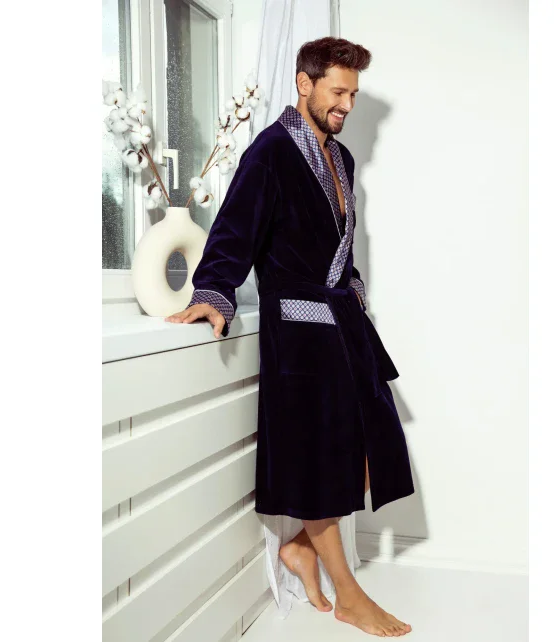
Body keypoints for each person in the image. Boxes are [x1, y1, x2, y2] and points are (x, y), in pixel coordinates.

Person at [166, 37, 414, 637]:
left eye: (353, 95)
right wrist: (213, 292)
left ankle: (300, 547)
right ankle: (348, 595)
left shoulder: (341, 158)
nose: (347, 105)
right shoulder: (271, 151)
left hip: (343, 322)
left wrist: (353, 291)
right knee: (318, 459)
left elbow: (341, 246)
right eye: (338, 92)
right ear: (304, 83)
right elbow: (235, 228)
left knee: (367, 445)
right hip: (299, 332)